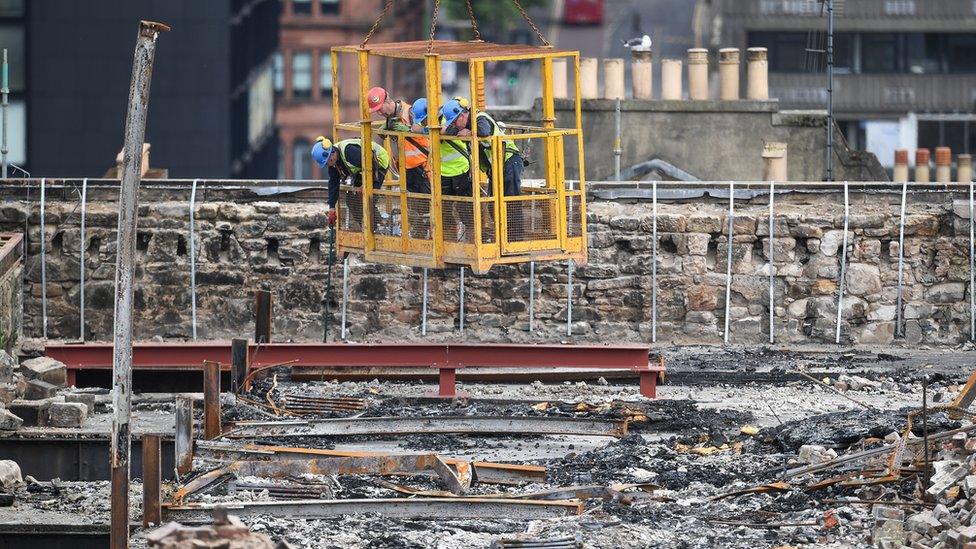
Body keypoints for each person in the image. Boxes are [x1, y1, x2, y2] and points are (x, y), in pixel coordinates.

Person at [441, 98, 523, 197]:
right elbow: (451, 131)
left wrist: (470, 133)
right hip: (496, 164)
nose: (454, 126)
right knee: (494, 202)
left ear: (462, 116)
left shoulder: (479, 117)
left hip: (509, 159)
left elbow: (483, 131)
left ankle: (514, 213)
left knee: (511, 198)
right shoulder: (466, 125)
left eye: (454, 123)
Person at [311, 136, 390, 228]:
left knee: (368, 198)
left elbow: (370, 165)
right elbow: (333, 183)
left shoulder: (349, 152)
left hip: (378, 163)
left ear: (332, 155)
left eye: (327, 163)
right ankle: (366, 227)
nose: (327, 165)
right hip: (362, 169)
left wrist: (365, 185)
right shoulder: (334, 163)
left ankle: (379, 228)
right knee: (351, 200)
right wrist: (332, 208)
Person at [367, 87, 430, 194]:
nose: (380, 113)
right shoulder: (390, 118)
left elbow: (428, 132)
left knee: (428, 202)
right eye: (377, 111)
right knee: (413, 205)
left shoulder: (410, 112)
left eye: (380, 109)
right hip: (405, 167)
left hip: (421, 167)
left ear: (387, 101)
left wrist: (409, 130)